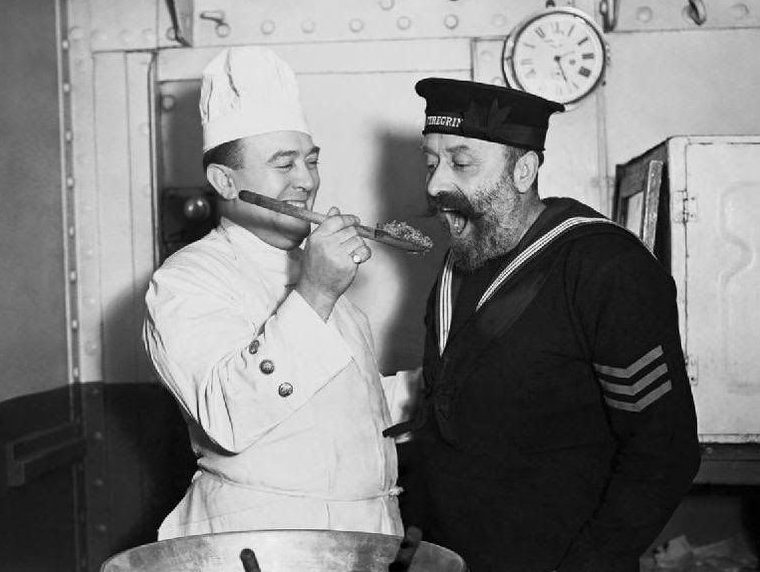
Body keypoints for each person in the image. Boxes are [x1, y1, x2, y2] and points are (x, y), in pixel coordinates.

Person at [393, 78, 701, 571]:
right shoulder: (463, 259)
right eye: (431, 163)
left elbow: (664, 454)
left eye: (461, 162)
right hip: (452, 555)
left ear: (524, 170)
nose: (434, 185)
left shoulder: (607, 268)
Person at [143, 46, 406, 540]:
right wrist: (316, 292)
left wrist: (438, 385)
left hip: (364, 537)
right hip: (263, 544)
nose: (306, 181)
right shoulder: (187, 279)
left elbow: (343, 409)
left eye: (310, 161)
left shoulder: (310, 271)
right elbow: (227, 414)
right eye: (283, 165)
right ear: (224, 181)